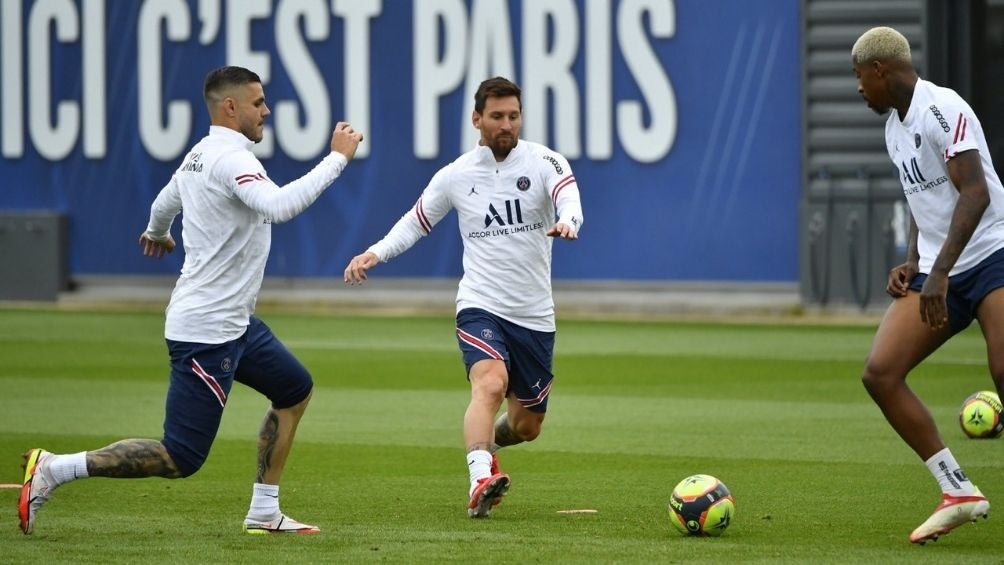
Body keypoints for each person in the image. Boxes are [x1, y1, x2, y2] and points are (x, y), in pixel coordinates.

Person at [19, 66, 363, 535]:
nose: (266, 111)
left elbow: (165, 202)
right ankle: (56, 468)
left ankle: (264, 510)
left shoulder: (200, 155)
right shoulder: (229, 160)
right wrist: (337, 159)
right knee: (179, 456)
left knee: (294, 389)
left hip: (235, 323)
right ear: (231, 107)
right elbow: (280, 207)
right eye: (258, 103)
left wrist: (157, 233)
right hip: (207, 332)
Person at [343, 76, 583, 518]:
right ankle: (480, 478)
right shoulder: (456, 175)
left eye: (513, 115)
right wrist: (375, 252)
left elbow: (569, 198)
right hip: (480, 302)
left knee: (528, 426)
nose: (506, 124)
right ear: (477, 119)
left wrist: (569, 221)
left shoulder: (546, 162)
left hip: (533, 315)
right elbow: (415, 221)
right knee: (489, 383)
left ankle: (485, 439)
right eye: (496, 116)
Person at [852, 26, 1001, 543]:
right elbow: (924, 196)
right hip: (939, 268)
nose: (857, 89)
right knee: (880, 373)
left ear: (881, 71)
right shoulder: (893, 127)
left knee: (1003, 368)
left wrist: (937, 274)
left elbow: (975, 193)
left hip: (993, 254)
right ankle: (957, 490)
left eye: (858, 77)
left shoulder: (943, 107)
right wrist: (913, 259)